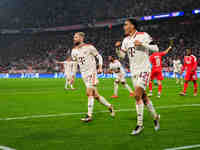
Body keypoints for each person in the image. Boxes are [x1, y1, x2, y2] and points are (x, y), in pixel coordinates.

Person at [115, 19, 160, 135]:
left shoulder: (143, 35)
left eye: (126, 24)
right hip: (133, 72)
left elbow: (156, 48)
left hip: (144, 69)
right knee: (144, 98)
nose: (124, 26)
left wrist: (142, 44)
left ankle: (139, 125)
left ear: (132, 25)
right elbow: (122, 56)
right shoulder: (125, 40)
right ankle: (155, 117)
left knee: (137, 95)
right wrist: (117, 49)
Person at [71, 32, 115, 122]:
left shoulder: (89, 47)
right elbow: (75, 64)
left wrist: (100, 67)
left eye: (76, 37)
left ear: (81, 38)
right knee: (96, 96)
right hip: (84, 75)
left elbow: (99, 56)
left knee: (89, 93)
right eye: (74, 37)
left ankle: (89, 115)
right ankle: (110, 106)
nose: (74, 39)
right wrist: (73, 76)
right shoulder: (73, 51)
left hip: (92, 72)